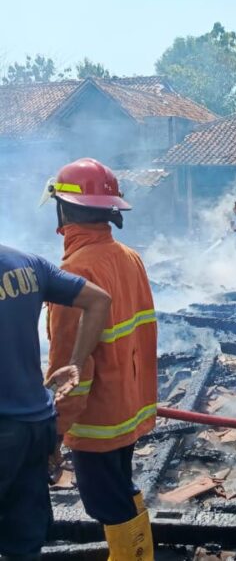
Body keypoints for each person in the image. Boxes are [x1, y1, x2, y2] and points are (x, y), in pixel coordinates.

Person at [44, 158, 158, 559]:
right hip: (127, 406)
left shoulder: (75, 272)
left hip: (97, 420)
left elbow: (70, 368)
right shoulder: (129, 256)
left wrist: (54, 431)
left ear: (63, 210)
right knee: (120, 490)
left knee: (105, 503)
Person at [0, 244, 110, 559]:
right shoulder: (28, 263)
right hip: (35, 423)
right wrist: (77, 360)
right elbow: (99, 300)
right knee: (23, 543)